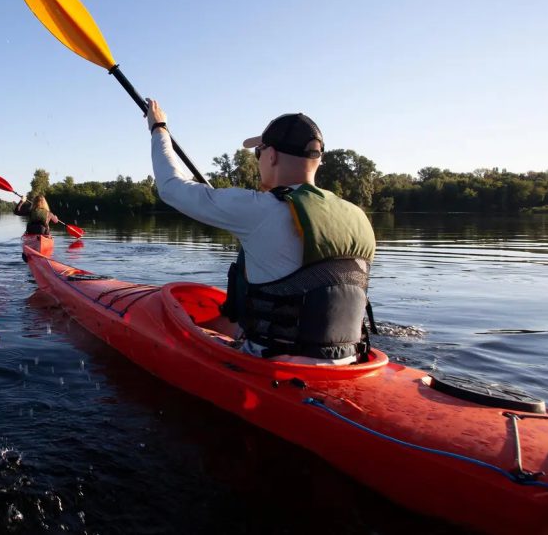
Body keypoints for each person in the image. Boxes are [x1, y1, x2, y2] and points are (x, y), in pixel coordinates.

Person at [145, 99, 376, 364]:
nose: (258, 160)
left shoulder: (262, 210)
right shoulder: (357, 216)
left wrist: (159, 128)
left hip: (273, 365)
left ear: (272, 155)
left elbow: (171, 186)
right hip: (349, 361)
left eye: (259, 152)